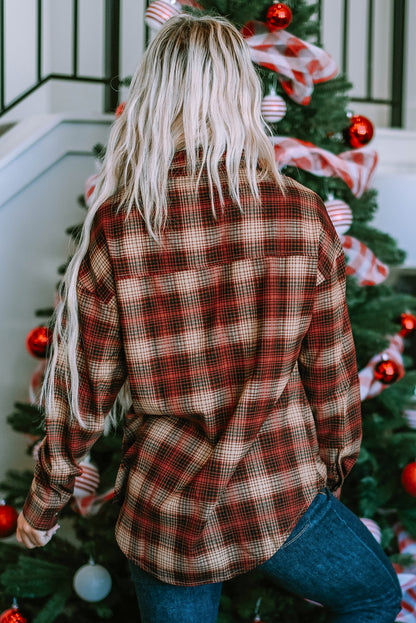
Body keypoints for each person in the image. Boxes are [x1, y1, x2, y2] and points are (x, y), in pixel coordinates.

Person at [16, 14, 401, 623]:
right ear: (242, 95)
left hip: (164, 501)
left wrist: (46, 500)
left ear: (155, 96)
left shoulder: (121, 222)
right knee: (376, 596)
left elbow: (82, 386)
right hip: (277, 484)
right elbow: (331, 367)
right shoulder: (299, 215)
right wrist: (331, 463)